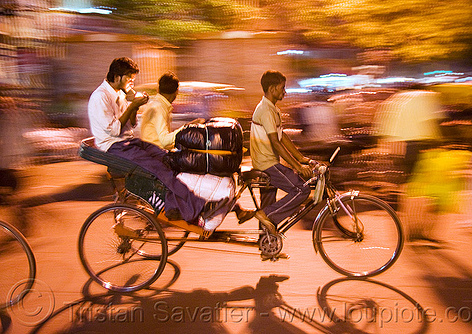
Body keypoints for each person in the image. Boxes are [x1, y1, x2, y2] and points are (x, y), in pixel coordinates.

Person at [87, 57, 225, 226]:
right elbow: (115, 130)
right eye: (129, 79)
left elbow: (130, 124)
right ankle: (197, 204)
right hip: (114, 147)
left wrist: (135, 106)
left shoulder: (121, 95)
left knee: (167, 159)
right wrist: (132, 106)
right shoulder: (100, 97)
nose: (131, 82)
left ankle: (175, 206)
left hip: (128, 142)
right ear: (116, 77)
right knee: (159, 169)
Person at [140, 71, 254, 224]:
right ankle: (214, 208)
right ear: (175, 92)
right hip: (159, 156)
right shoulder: (158, 108)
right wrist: (186, 130)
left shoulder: (159, 105)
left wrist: (187, 129)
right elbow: (165, 140)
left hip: (161, 153)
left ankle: (234, 208)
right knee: (203, 170)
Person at [250, 70, 313, 234]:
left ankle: (267, 244)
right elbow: (275, 143)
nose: (284, 92)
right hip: (267, 163)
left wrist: (301, 158)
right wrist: (298, 167)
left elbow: (282, 136)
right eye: (282, 88)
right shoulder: (265, 110)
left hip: (269, 161)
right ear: (272, 89)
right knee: (302, 189)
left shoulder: (273, 109)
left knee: (268, 201)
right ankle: (266, 214)